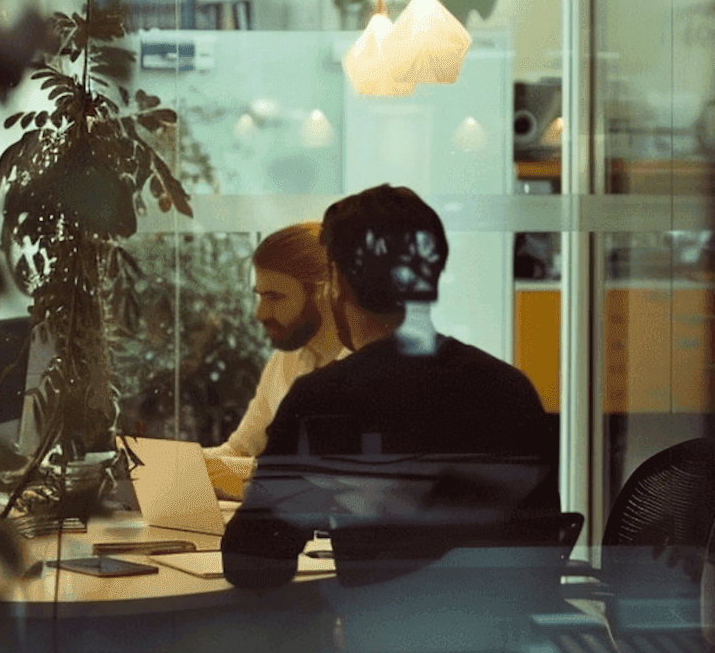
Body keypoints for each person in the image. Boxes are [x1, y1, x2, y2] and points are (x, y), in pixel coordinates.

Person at [222, 184, 559, 591]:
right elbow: (539, 555)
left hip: (378, 646)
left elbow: (251, 567)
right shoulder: (509, 388)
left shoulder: (324, 398)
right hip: (502, 646)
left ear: (337, 281)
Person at [203, 222, 346, 498]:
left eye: (275, 297)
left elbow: (326, 483)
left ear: (324, 290)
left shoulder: (373, 366)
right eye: (259, 296)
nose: (260, 312)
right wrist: (181, 467)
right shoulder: (285, 361)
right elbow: (239, 451)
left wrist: (243, 475)